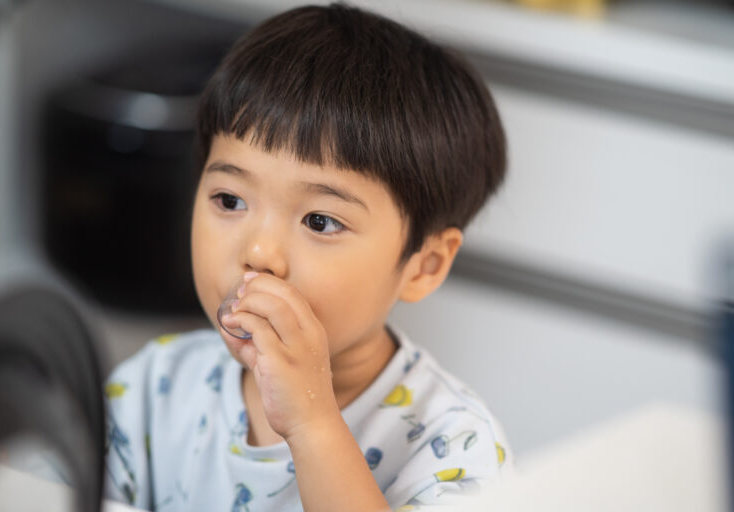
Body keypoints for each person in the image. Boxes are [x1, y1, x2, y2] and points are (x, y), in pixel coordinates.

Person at [103, 3, 510, 511]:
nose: (258, 253)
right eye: (230, 200)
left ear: (424, 265)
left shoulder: (452, 445)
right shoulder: (155, 389)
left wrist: (312, 424)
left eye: (320, 221)